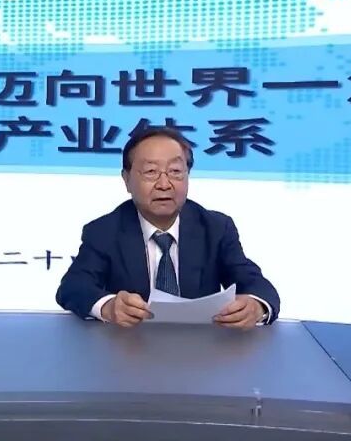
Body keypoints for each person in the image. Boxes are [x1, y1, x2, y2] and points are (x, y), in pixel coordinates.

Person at [56, 126, 280, 329]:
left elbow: (255, 283)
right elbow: (74, 286)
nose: (164, 184)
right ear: (126, 179)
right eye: (151, 172)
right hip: (129, 350)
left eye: (175, 171)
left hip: (201, 349)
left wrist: (255, 306)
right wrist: (108, 306)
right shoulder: (104, 231)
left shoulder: (216, 228)